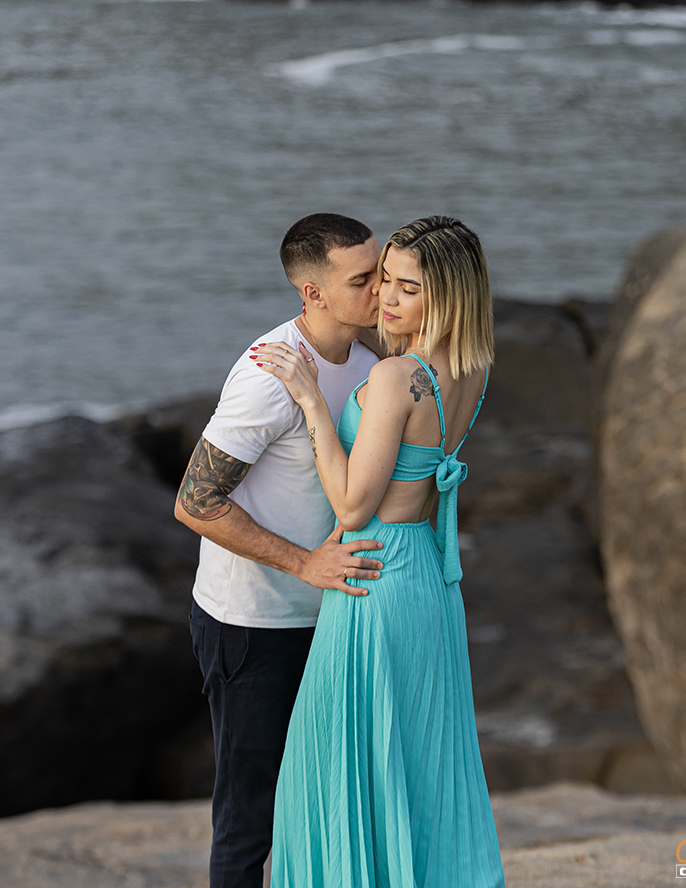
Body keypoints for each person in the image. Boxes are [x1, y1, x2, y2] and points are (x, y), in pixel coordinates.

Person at [255, 215, 505, 888]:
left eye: (407, 288)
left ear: (448, 296)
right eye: (384, 280)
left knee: (337, 765)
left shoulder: (398, 377)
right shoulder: (473, 367)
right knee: (416, 765)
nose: (385, 299)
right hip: (428, 575)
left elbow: (352, 507)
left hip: (373, 572)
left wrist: (311, 399)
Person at [174, 213, 387, 888]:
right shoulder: (269, 374)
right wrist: (304, 564)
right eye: (363, 279)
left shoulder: (368, 363)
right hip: (253, 626)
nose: (381, 289)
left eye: (382, 272)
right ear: (313, 292)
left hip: (331, 616)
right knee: (249, 820)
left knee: (323, 804)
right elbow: (194, 502)